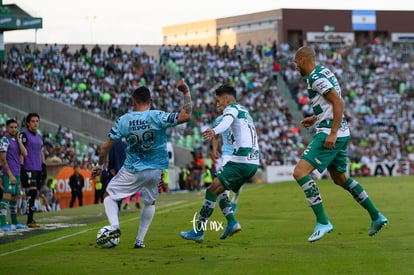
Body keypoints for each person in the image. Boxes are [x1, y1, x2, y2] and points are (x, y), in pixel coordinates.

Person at [292, 46, 388, 243]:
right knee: (340, 178)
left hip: (331, 132)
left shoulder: (314, 78)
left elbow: (338, 102)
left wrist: (332, 132)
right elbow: (329, 103)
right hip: (339, 130)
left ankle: (323, 221)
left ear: (302, 60)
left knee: (300, 172)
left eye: (295, 63)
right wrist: (315, 117)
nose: (295, 67)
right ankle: (376, 215)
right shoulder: (325, 71)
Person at [92, 79, 192, 248]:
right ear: (150, 101)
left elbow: (105, 147)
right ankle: (139, 240)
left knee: (108, 195)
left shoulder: (124, 120)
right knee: (150, 202)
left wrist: (99, 166)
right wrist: (186, 92)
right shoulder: (158, 116)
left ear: (134, 101)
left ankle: (115, 228)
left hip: (133, 168)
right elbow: (186, 115)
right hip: (155, 170)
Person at [180, 84, 260, 243]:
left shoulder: (231, 109)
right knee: (220, 189)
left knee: (211, 191)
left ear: (227, 98)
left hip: (240, 160)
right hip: (253, 161)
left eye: (218, 101)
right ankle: (231, 221)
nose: (217, 104)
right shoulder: (245, 111)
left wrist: (214, 131)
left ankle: (199, 231)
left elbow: (226, 122)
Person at [0, 119, 28, 230]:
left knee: (15, 197)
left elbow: (25, 153)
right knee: (7, 195)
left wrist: (18, 140)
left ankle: (15, 222)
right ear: (7, 128)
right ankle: (2, 223)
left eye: (16, 127)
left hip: (17, 173)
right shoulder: (4, 140)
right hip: (9, 173)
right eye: (11, 127)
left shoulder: (16, 140)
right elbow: (2, 160)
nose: (14, 129)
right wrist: (10, 175)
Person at [212, 114, 242, 214]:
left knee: (239, 184)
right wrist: (214, 149)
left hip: (240, 153)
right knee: (225, 178)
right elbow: (215, 135)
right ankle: (228, 205)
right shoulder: (219, 119)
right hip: (227, 153)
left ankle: (235, 201)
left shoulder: (240, 117)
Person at [20, 113, 45, 227]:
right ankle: (29, 219)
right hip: (28, 168)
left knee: (33, 194)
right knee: (32, 192)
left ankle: (30, 219)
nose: (35, 123)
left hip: (37, 168)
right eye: (33, 121)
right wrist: (21, 167)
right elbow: (21, 152)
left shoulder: (39, 136)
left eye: (37, 121)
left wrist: (43, 166)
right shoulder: (24, 135)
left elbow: (41, 152)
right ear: (28, 123)